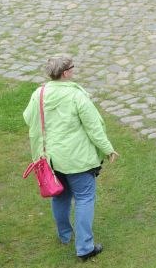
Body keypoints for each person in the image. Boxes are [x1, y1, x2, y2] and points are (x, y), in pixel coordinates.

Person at [23, 57, 118, 262]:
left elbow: (27, 118)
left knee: (60, 197)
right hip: (77, 159)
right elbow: (94, 127)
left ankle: (65, 235)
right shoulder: (76, 95)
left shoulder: (38, 94)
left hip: (50, 160)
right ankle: (85, 247)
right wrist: (108, 149)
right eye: (72, 67)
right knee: (84, 198)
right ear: (65, 73)